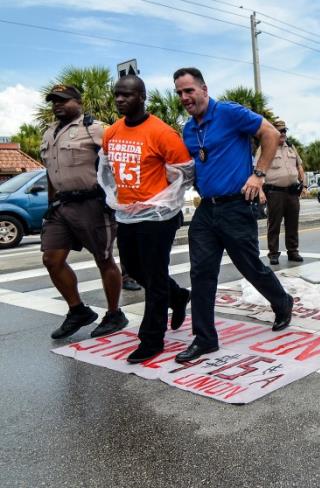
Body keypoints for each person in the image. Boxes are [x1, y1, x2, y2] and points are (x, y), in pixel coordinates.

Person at [173, 67, 294, 363]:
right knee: (201, 273)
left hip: (236, 205)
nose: (185, 97)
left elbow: (270, 133)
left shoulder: (229, 112)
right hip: (206, 209)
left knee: (249, 265)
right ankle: (205, 338)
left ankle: (282, 301)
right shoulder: (189, 129)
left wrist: (259, 175)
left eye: (189, 90)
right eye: (179, 93)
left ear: (204, 89)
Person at [99, 75, 193, 363]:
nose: (119, 100)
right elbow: (107, 171)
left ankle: (151, 339)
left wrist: (162, 200)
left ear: (141, 97)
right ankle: (177, 296)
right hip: (128, 214)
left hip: (157, 217)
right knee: (135, 271)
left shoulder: (162, 133)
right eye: (116, 95)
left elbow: (185, 174)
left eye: (126, 95)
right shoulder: (111, 132)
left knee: (153, 278)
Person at [40, 84, 128, 340]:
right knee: (51, 260)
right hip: (61, 206)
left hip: (92, 203)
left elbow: (120, 164)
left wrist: (115, 200)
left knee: (103, 259)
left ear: (78, 101)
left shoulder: (96, 128)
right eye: (54, 101)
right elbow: (50, 172)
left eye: (63, 100)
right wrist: (50, 204)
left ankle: (114, 313)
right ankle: (77, 310)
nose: (57, 105)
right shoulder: (48, 134)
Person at [260, 119, 306, 266]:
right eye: (280, 131)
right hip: (275, 192)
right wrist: (260, 192)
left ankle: (293, 251)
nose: (283, 133)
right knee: (274, 224)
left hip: (292, 192)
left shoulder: (291, 147)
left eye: (284, 131)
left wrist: (303, 185)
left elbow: (299, 166)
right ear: (273, 132)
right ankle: (273, 254)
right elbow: (258, 171)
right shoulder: (265, 147)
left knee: (293, 223)